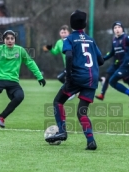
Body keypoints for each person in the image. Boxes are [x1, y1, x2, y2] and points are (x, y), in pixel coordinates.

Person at [45, 10, 104, 150]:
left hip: (77, 77)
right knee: (82, 112)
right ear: (84, 25)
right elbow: (100, 60)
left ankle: (62, 131)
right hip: (92, 79)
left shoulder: (69, 39)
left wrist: (69, 76)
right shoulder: (90, 39)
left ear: (71, 25)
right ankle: (91, 141)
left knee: (58, 101)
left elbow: (69, 56)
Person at [43, 25, 76, 100]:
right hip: (67, 65)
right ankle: (72, 91)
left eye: (65, 32)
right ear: (59, 34)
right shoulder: (59, 42)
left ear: (69, 33)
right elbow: (55, 52)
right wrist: (50, 48)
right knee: (65, 78)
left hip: (74, 64)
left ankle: (71, 92)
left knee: (61, 77)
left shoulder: (72, 40)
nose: (64, 34)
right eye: (62, 32)